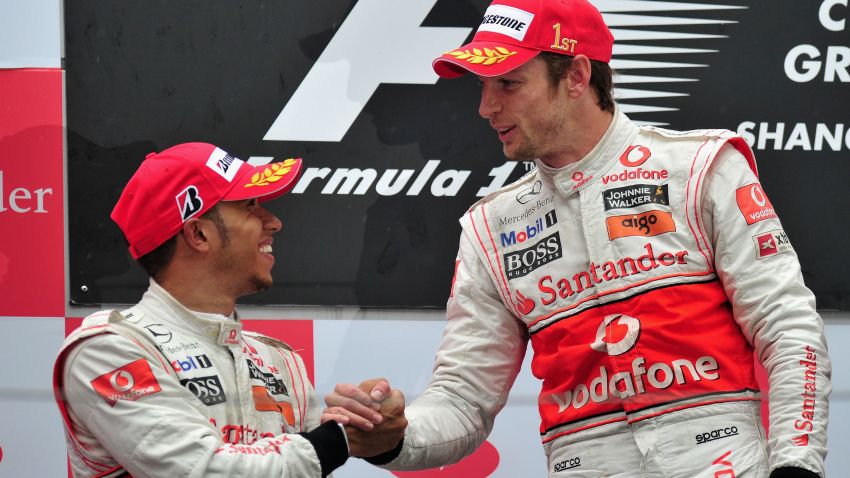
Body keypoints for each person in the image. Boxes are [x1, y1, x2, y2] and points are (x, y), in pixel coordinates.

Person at [323, 0, 832, 477]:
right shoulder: (490, 227)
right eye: (482, 86)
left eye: (507, 84)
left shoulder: (700, 169)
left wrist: (795, 467)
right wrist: (393, 435)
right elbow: (463, 401)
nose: (484, 107)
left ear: (577, 76)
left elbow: (788, 331)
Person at [53, 142, 403, 477]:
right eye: (250, 205)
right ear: (199, 235)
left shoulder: (279, 360)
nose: (274, 222)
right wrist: (338, 441)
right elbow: (201, 471)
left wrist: (364, 416)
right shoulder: (107, 349)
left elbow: (315, 458)